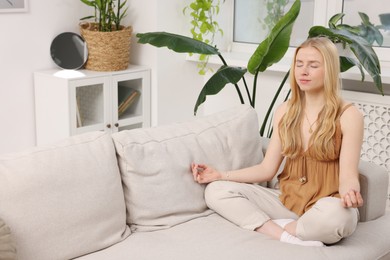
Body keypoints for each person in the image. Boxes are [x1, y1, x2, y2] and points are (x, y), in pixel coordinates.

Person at [191, 37, 364, 247]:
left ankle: (288, 227)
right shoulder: (285, 111)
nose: (303, 71)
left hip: (325, 203)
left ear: (330, 69)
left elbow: (348, 175)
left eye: (313, 65)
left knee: (341, 217)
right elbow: (267, 169)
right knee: (216, 190)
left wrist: (350, 193)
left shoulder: (348, 115)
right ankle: (286, 235)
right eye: (299, 64)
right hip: (285, 200)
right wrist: (220, 175)